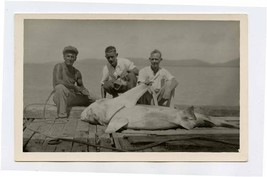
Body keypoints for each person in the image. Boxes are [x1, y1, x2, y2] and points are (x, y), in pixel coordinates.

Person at [53, 46, 95, 118]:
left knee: (96, 99)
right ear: (64, 57)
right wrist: (74, 87)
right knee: (59, 87)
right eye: (68, 56)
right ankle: (62, 116)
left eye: (72, 57)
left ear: (75, 58)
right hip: (59, 97)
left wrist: (86, 92)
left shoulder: (77, 72)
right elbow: (57, 81)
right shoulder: (59, 66)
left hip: (72, 98)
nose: (70, 59)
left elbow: (81, 87)